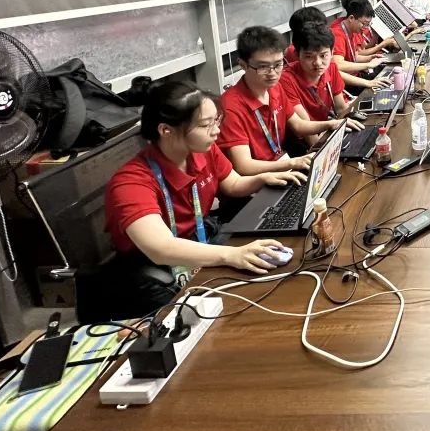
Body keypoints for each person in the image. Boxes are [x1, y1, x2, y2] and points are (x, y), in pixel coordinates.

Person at [104, 82, 304, 315]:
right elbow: (161, 248)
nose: (216, 131)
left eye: (216, 121)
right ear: (166, 130)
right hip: (158, 267)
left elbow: (233, 184)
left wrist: (263, 178)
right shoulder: (130, 183)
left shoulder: (202, 151)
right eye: (205, 125)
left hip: (202, 239)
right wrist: (232, 255)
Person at [218, 26, 338, 175]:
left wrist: (332, 124)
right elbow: (244, 166)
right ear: (243, 65)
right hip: (256, 181)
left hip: (281, 168)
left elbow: (298, 125)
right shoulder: (229, 107)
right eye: (263, 67)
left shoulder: (275, 88)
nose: (272, 73)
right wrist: (292, 163)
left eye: (278, 64)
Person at [279, 22, 365, 144]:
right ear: (297, 55)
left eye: (323, 55)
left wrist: (354, 127)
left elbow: (341, 108)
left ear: (332, 52)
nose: (318, 63)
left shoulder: (331, 68)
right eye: (309, 57)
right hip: (300, 140)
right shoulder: (286, 80)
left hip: (326, 128)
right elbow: (308, 132)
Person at [330, 0, 394, 85]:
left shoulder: (352, 30)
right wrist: (367, 65)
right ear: (351, 18)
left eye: (368, 24)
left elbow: (354, 57)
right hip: (348, 82)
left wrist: (371, 58)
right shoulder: (337, 35)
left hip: (355, 74)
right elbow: (338, 64)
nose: (365, 28)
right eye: (364, 24)